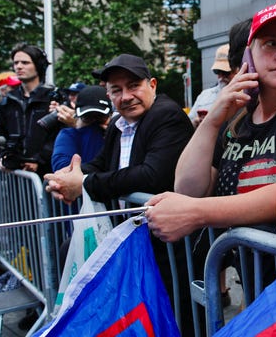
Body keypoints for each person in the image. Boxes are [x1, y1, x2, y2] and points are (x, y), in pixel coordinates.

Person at [145, 3, 276, 305]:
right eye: (271, 44)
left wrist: (196, 212)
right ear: (248, 56)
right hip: (257, 287)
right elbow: (189, 188)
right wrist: (215, 116)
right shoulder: (236, 119)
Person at [44, 53, 195, 334]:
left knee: (175, 318)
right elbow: (102, 164)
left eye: (133, 85)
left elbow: (152, 175)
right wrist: (66, 177)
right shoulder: (117, 123)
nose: (126, 96)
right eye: (116, 89)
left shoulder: (166, 115)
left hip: (170, 248)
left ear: (152, 84)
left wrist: (85, 183)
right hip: (136, 241)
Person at [0, 43, 61, 177]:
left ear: (38, 65)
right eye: (16, 62)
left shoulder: (54, 98)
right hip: (15, 174)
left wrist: (39, 160)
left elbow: (59, 135)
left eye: (25, 62)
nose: (19, 66)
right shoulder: (7, 101)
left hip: (47, 173)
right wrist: (3, 156)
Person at [51, 85, 111, 172]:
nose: (94, 123)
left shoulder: (118, 135)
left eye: (99, 117)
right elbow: (62, 168)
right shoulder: (69, 135)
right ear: (77, 117)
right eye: (88, 117)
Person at [187, 44, 237, 127]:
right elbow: (188, 124)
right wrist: (196, 122)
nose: (221, 76)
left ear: (237, 70)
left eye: (225, 72)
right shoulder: (205, 95)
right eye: (217, 71)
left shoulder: (246, 97)